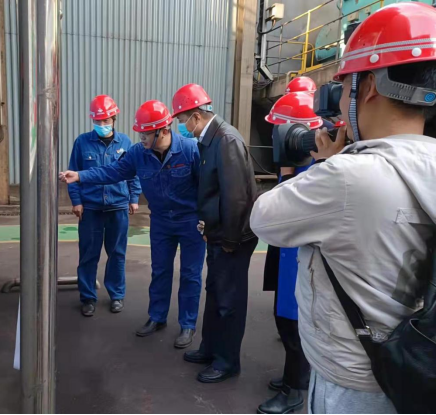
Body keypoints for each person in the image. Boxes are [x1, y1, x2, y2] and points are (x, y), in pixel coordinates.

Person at [251, 3, 436, 413]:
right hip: (414, 369)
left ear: (369, 87)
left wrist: (328, 164)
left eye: (343, 87)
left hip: (353, 380)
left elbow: (264, 218)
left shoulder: (347, 177)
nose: (339, 103)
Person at [60, 100, 206, 348]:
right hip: (161, 221)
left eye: (146, 134)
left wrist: (208, 218)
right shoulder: (139, 153)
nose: (141, 138)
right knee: (160, 271)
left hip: (190, 221)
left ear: (163, 130)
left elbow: (207, 186)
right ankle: (157, 317)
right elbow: (112, 172)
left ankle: (187, 324)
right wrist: (80, 176)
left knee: (190, 274)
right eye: (140, 133)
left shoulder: (191, 150)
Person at [172, 83, 258, 383]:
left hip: (232, 237)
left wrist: (230, 240)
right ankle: (210, 348)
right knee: (215, 293)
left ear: (196, 116)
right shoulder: (210, 140)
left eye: (182, 120)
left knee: (228, 300)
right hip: (218, 234)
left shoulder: (226, 140)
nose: (182, 127)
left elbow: (237, 197)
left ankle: (227, 361)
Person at [258, 86, 333, 414]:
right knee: (285, 321)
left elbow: (284, 212)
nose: (275, 136)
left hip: (305, 263)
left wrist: (287, 177)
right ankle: (293, 376)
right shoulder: (295, 165)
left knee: (297, 327)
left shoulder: (318, 170)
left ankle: (294, 390)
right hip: (288, 259)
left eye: (279, 129)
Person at [67, 95, 141, 317]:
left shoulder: (125, 143)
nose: (102, 124)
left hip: (118, 206)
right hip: (91, 208)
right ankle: (88, 297)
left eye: (106, 120)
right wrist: (76, 201)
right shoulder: (82, 142)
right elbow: (73, 173)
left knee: (117, 253)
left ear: (114, 118)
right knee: (88, 254)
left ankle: (116, 295)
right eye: (98, 121)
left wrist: (134, 197)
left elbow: (133, 172)